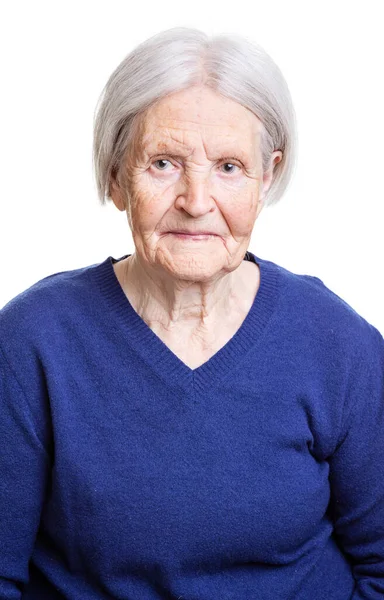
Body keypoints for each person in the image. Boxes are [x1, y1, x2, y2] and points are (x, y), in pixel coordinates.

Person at [0, 26, 383, 600]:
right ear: (116, 176)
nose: (197, 201)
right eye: (164, 163)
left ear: (268, 176)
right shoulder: (32, 343)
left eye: (229, 167)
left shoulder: (342, 346)